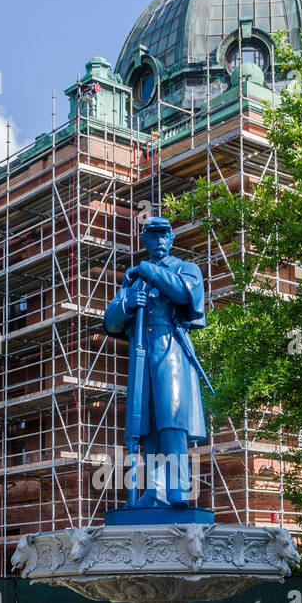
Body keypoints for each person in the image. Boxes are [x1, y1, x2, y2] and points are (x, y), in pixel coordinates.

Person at [103, 217, 208, 507]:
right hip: (142, 353)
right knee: (145, 424)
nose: (159, 242)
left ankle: (178, 491)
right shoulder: (133, 280)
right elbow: (110, 321)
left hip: (171, 349)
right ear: (144, 242)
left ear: (171, 239)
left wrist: (148, 270)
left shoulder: (185, 269)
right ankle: (155, 491)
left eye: (164, 236)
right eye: (153, 237)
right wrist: (127, 305)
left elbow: (184, 293)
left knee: (172, 421)